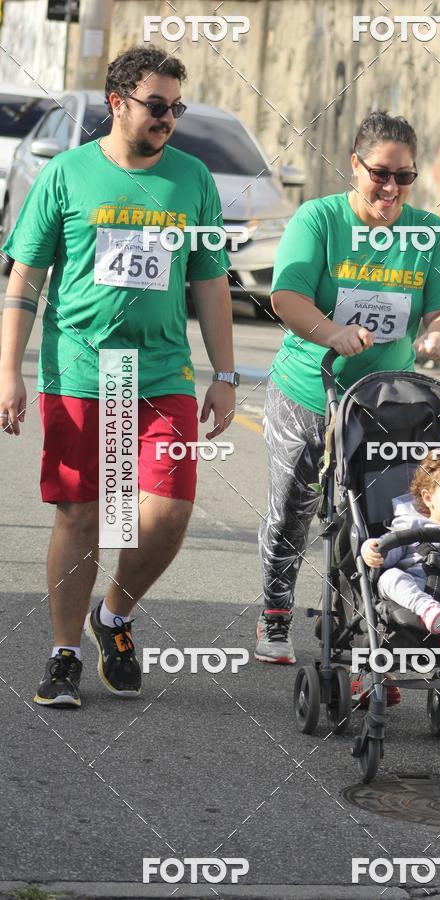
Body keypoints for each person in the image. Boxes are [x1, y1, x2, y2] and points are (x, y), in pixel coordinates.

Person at [0, 45, 238, 707]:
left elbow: (212, 282)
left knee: (167, 514)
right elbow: (24, 278)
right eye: (155, 105)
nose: (167, 118)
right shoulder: (67, 175)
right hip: (79, 371)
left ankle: (115, 616)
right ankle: (64, 653)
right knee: (80, 515)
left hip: (160, 374)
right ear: (116, 103)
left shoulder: (193, 180)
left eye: (176, 108)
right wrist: (9, 372)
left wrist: (227, 372)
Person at [255, 111, 440, 665]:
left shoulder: (427, 232)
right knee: (294, 505)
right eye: (380, 173)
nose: (391, 188)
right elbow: (288, 296)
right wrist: (332, 332)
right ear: (354, 165)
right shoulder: (318, 220)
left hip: (383, 403)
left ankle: (371, 621)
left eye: (405, 177)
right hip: (311, 389)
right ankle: (275, 610)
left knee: (380, 511)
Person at [361, 449, 440, 655]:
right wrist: (373, 549)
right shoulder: (409, 526)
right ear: (429, 498)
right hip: (413, 592)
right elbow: (388, 551)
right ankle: (428, 609)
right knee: (391, 577)